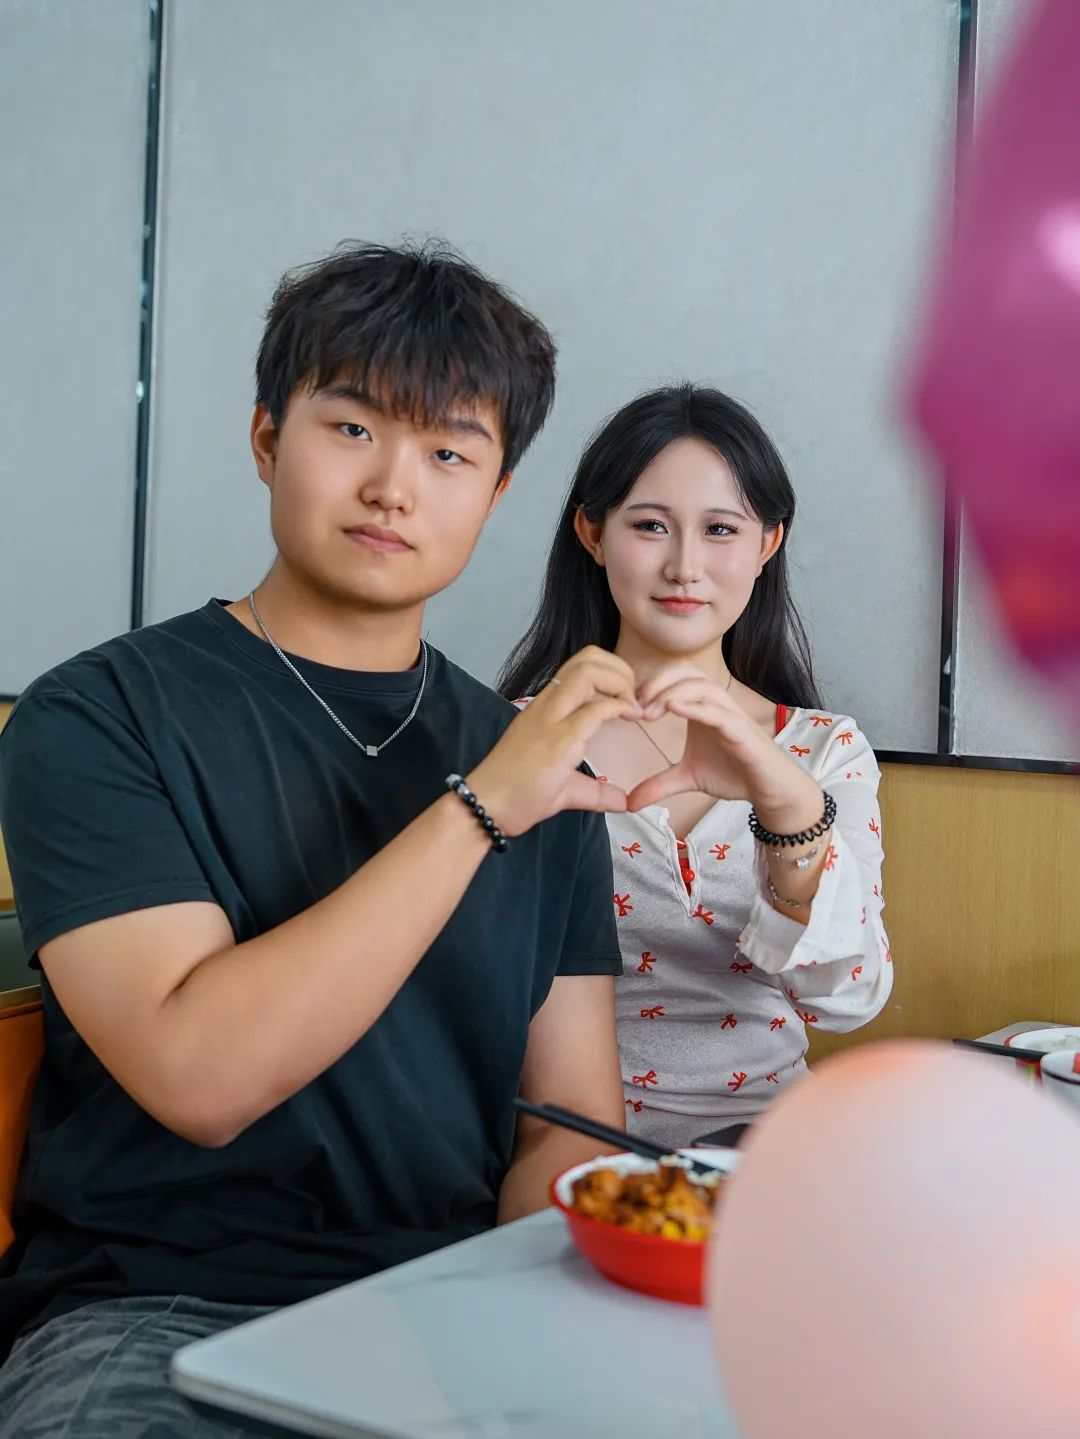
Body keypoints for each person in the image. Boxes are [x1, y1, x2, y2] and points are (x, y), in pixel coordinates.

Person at [0, 241, 634, 1436]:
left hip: (447, 1310)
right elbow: (200, 1077)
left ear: (495, 495)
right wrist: (480, 808)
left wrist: (542, 1329)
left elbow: (567, 1121)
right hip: (160, 1313)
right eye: (351, 429)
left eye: (449, 453)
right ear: (265, 439)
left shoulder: (536, 761)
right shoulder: (98, 715)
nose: (395, 486)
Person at [500, 384, 893, 1149]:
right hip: (566, 1148)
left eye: (720, 529)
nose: (685, 566)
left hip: (775, 1149)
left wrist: (786, 806)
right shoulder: (515, 740)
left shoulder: (823, 749)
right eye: (650, 525)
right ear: (592, 533)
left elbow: (851, 999)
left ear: (767, 544)